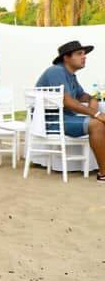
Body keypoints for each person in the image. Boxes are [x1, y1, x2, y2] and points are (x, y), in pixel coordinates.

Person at [35, 40, 105, 182]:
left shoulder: (71, 75)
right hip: (52, 122)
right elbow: (66, 101)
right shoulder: (56, 71)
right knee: (97, 124)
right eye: (79, 54)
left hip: (65, 118)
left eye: (84, 54)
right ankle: (103, 174)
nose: (84, 57)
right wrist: (96, 113)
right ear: (66, 58)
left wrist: (92, 99)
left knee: (99, 122)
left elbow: (81, 95)